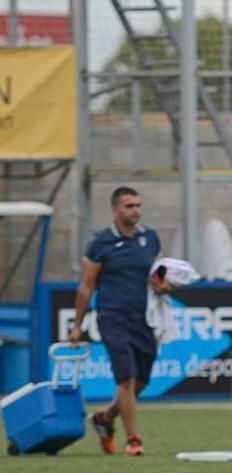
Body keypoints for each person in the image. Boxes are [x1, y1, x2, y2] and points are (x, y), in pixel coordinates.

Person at [69, 186, 165, 457]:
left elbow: (155, 275)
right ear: (115, 210)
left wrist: (163, 286)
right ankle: (134, 439)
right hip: (112, 317)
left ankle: (105, 417)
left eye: (138, 205)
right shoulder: (100, 243)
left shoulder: (151, 238)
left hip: (143, 318)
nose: (135, 210)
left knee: (140, 383)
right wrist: (77, 325)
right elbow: (87, 286)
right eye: (129, 206)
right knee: (126, 378)